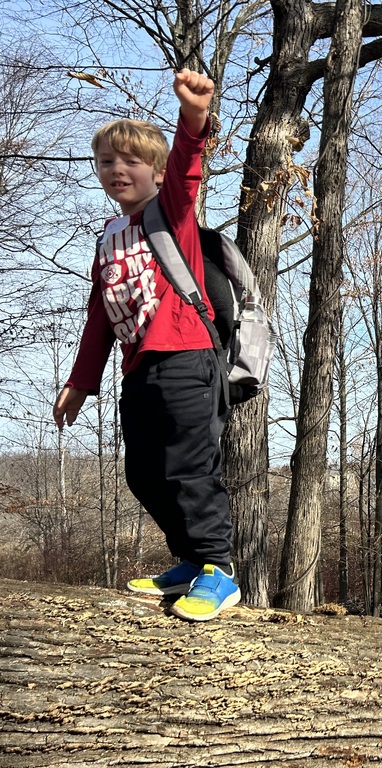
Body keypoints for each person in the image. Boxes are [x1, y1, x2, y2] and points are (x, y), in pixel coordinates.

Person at [52, 69, 239, 622]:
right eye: (107, 161)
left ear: (155, 171)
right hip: (139, 368)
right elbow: (99, 316)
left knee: (188, 466)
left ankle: (218, 570)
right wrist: (80, 382)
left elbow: (186, 168)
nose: (116, 170)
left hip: (187, 356)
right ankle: (188, 559)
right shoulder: (109, 237)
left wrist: (194, 117)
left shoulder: (171, 214)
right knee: (144, 473)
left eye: (130, 160)